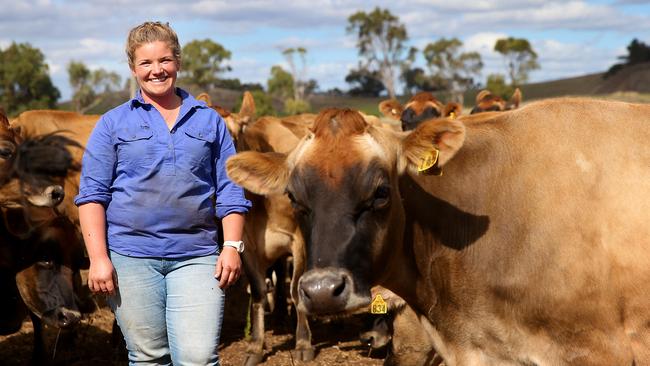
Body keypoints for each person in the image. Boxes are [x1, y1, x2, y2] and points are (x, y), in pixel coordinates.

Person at [75, 21, 251, 365]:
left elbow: (231, 189)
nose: (157, 70)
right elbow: (92, 195)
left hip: (197, 255)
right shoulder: (112, 123)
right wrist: (98, 259)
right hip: (131, 257)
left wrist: (231, 247)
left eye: (165, 60)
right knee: (148, 355)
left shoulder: (209, 121)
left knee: (198, 357)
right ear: (133, 68)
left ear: (178, 63)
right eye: (146, 63)